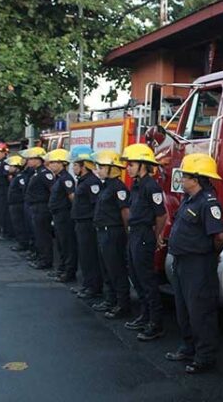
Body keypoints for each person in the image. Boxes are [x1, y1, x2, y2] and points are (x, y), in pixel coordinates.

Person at [164, 153, 223, 374]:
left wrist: (210, 255)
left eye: (185, 176)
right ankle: (188, 348)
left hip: (198, 265)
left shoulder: (208, 203)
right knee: (183, 309)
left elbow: (219, 237)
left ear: (197, 179)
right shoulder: (189, 200)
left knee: (201, 312)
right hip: (183, 262)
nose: (181, 180)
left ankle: (205, 357)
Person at [121, 143, 168, 341]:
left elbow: (161, 215)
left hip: (143, 236)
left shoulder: (151, 186)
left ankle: (155, 323)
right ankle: (145, 315)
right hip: (134, 235)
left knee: (147, 280)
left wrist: (157, 236)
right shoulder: (137, 185)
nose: (128, 168)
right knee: (136, 277)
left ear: (142, 164)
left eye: (131, 164)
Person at [91, 150, 132, 320]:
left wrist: (127, 233)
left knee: (116, 269)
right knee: (107, 268)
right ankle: (110, 299)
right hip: (103, 232)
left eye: (101, 167)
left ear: (112, 168)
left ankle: (122, 304)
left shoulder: (118, 187)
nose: (98, 170)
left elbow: (125, 212)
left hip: (113, 233)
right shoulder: (106, 186)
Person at [69, 146, 103, 301]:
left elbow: (96, 205)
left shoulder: (92, 182)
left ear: (84, 166)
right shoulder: (83, 181)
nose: (73, 168)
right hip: (80, 223)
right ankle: (87, 284)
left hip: (88, 225)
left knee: (90, 256)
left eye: (76, 165)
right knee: (84, 256)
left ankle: (93, 287)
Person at [45, 149, 78, 283]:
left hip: (65, 216)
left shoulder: (66, 179)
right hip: (58, 215)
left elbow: (72, 198)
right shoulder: (59, 178)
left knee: (67, 245)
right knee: (60, 244)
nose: (50, 165)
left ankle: (69, 272)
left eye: (53, 162)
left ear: (62, 163)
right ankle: (62, 269)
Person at [24, 147, 55, 270]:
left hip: (42, 208)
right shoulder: (37, 172)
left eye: (31, 159)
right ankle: (40, 256)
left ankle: (46, 260)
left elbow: (52, 190)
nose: (28, 161)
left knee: (43, 235)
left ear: (38, 160)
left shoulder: (45, 174)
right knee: (38, 234)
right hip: (35, 207)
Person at [6, 155, 30, 252]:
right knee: (17, 224)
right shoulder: (16, 177)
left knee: (20, 224)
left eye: (12, 166)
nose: (9, 168)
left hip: (18, 205)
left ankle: (23, 243)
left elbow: (23, 189)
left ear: (17, 168)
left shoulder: (20, 177)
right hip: (14, 204)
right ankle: (21, 242)